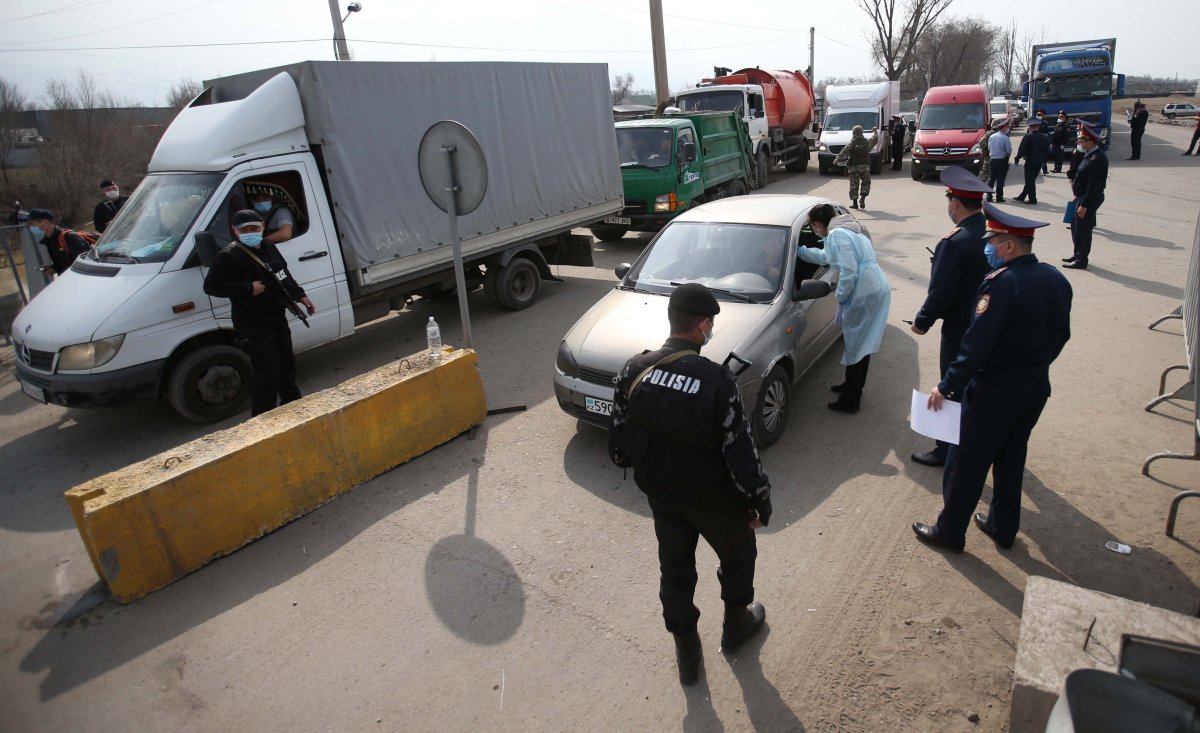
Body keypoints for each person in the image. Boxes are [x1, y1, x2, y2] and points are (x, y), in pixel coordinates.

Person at [608, 283, 772, 686]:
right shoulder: (717, 380)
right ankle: (736, 629)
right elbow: (741, 452)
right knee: (738, 558)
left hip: (663, 497)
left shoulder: (634, 368)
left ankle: (687, 653)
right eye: (710, 324)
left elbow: (618, 445)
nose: (710, 330)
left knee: (675, 571)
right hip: (715, 499)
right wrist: (758, 501)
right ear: (702, 326)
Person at [912, 204, 1072, 553]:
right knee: (1011, 458)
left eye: (993, 241)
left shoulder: (999, 285)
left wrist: (947, 385)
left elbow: (975, 345)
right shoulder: (1056, 278)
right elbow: (1062, 336)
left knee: (965, 463)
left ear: (1009, 246)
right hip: (1034, 388)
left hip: (993, 392)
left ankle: (949, 530)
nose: (989, 248)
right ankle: (1003, 526)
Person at [910, 168, 993, 467]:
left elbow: (941, 292)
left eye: (949, 201)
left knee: (952, 385)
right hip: (988, 326)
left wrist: (922, 322)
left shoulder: (954, 242)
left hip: (959, 329)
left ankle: (946, 450)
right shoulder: (992, 231)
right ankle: (978, 439)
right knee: (978, 383)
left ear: (955, 203)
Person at [203, 209, 316, 417]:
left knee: (286, 365)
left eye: (254, 228)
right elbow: (211, 286)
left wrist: (300, 295)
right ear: (235, 231)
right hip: (252, 324)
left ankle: (296, 409)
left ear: (263, 226)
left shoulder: (268, 246)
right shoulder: (229, 256)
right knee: (268, 372)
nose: (250, 232)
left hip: (276, 316)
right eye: (244, 229)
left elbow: (283, 274)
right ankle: (263, 421)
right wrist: (247, 288)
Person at [798, 203, 891, 413]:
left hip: (863, 290)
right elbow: (826, 257)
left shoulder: (838, 234)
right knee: (860, 343)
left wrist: (841, 295)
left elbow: (848, 271)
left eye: (813, 225)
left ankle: (851, 400)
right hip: (872, 286)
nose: (814, 230)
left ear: (818, 223)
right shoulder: (846, 231)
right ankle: (852, 386)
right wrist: (801, 252)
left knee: (857, 343)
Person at [1064, 123, 1108, 270]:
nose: (1079, 144)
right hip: (1081, 196)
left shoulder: (1097, 159)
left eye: (1081, 142)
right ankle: (1077, 254)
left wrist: (1084, 205)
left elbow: (1094, 185)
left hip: (1088, 198)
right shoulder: (1089, 155)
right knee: (1075, 227)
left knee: (1083, 230)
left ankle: (1081, 260)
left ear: (1089, 142)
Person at [26, 208, 89, 276]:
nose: (31, 227)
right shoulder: (49, 240)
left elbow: (84, 263)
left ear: (45, 222)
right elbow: (64, 263)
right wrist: (55, 268)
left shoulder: (69, 238)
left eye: (32, 224)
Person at [834, 124, 878, 210]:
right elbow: (874, 139)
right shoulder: (867, 142)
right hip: (865, 167)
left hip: (853, 168)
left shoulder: (852, 143)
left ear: (853, 133)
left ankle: (855, 204)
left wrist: (836, 160)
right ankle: (863, 198)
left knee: (854, 185)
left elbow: (843, 153)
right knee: (866, 183)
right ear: (862, 132)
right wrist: (875, 132)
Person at [1013, 117, 1049, 204]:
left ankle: (1032, 199)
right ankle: (1022, 196)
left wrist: (1017, 158)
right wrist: (1044, 161)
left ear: (1030, 127)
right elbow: (1046, 150)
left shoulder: (1028, 136)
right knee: (1031, 180)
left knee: (1030, 181)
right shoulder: (1044, 137)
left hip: (1030, 161)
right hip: (1039, 161)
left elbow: (1022, 149)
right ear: (1038, 126)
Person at [985, 120, 1012, 203]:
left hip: (992, 159)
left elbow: (989, 148)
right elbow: (1008, 150)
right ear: (1003, 128)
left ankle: (989, 196)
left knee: (991, 178)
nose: (1008, 128)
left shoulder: (992, 136)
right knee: (1000, 179)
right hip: (1002, 160)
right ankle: (999, 197)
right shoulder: (1005, 137)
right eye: (1007, 127)